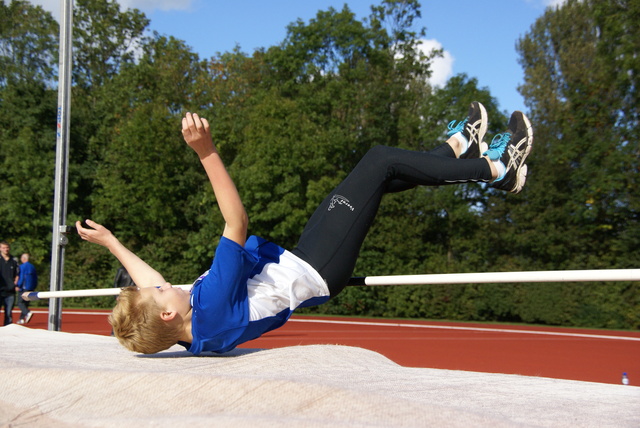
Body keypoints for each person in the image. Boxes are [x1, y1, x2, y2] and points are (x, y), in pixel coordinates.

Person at [76, 102, 533, 354]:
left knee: (380, 179)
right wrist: (206, 151)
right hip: (317, 266)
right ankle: (498, 167)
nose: (161, 285)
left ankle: (455, 148)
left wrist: (112, 242)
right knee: (379, 159)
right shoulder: (210, 302)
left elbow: (150, 286)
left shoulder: (193, 332)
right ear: (168, 315)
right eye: (159, 294)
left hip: (306, 262)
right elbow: (236, 220)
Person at [0, 241, 20, 326]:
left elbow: (18, 274)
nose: (6, 250)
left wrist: (15, 283)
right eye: (3, 248)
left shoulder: (14, 260)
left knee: (8, 313)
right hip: (0, 290)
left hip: (10, 291)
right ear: (0, 249)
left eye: (7, 248)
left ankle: (7, 332)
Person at [16, 253, 37, 324]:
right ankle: (21, 319)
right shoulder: (32, 267)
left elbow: (22, 277)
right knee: (26, 303)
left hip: (24, 287)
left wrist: (18, 285)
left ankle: (27, 312)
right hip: (30, 287)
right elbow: (35, 278)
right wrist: (34, 286)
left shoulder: (22, 267)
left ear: (24, 258)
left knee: (20, 302)